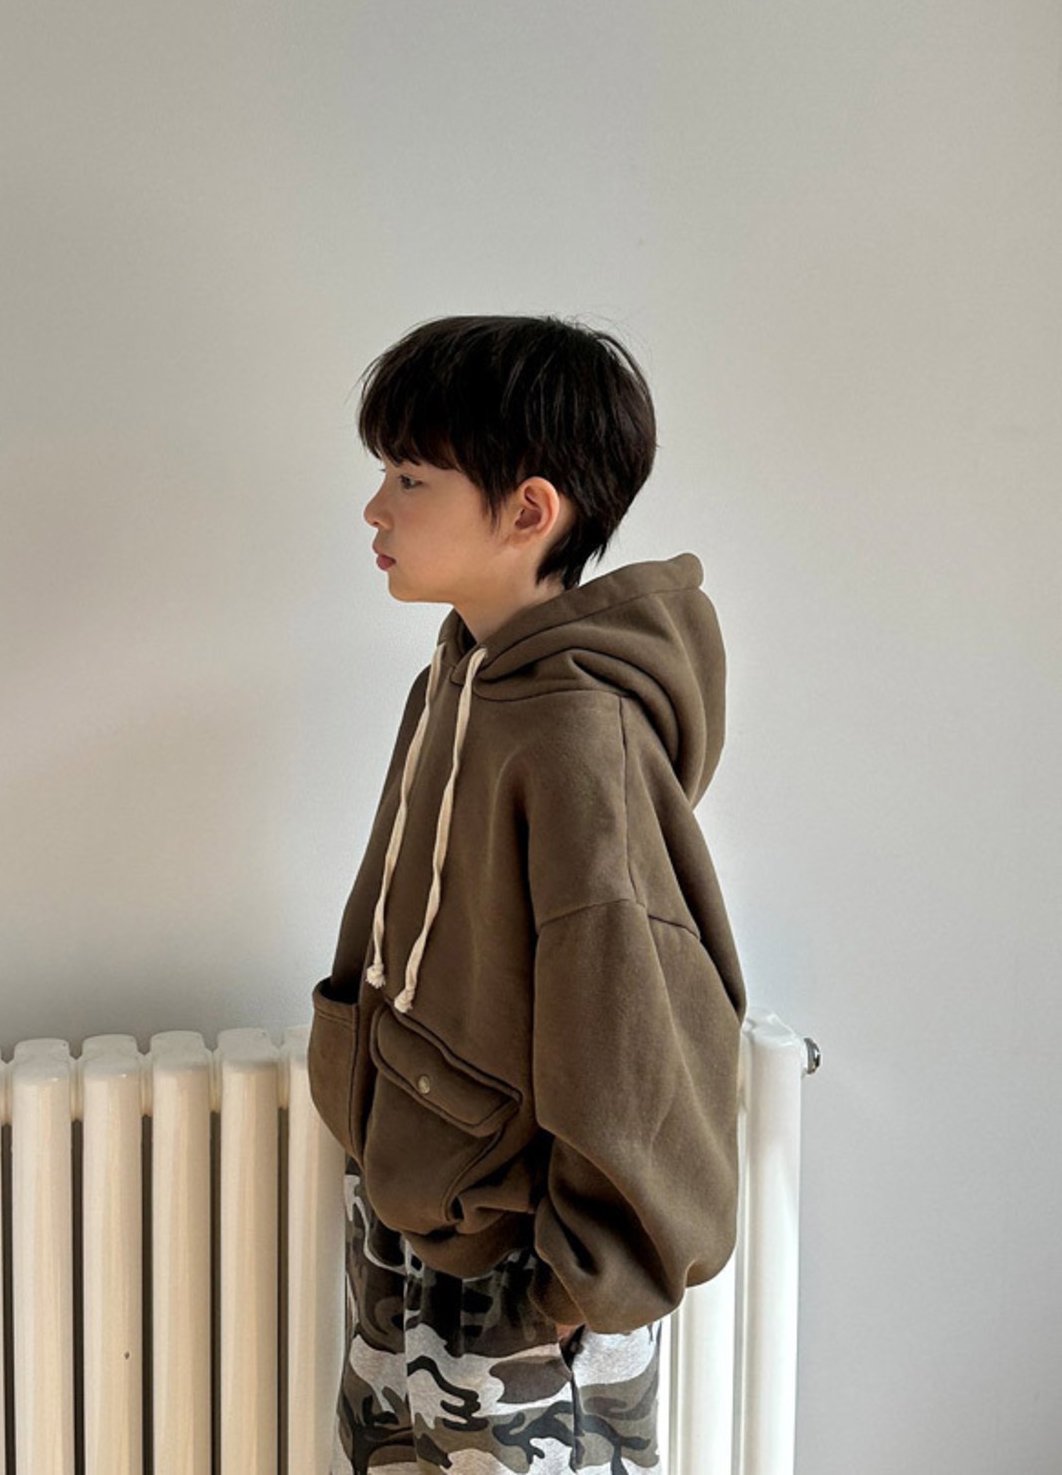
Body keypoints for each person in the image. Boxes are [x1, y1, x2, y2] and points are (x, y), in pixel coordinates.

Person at [307, 313, 748, 1474]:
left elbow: (637, 1014)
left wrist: (578, 1279)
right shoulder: (453, 681)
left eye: (409, 476)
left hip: (523, 1280)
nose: (374, 508)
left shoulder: (577, 737)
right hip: (418, 1216)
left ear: (527, 510)